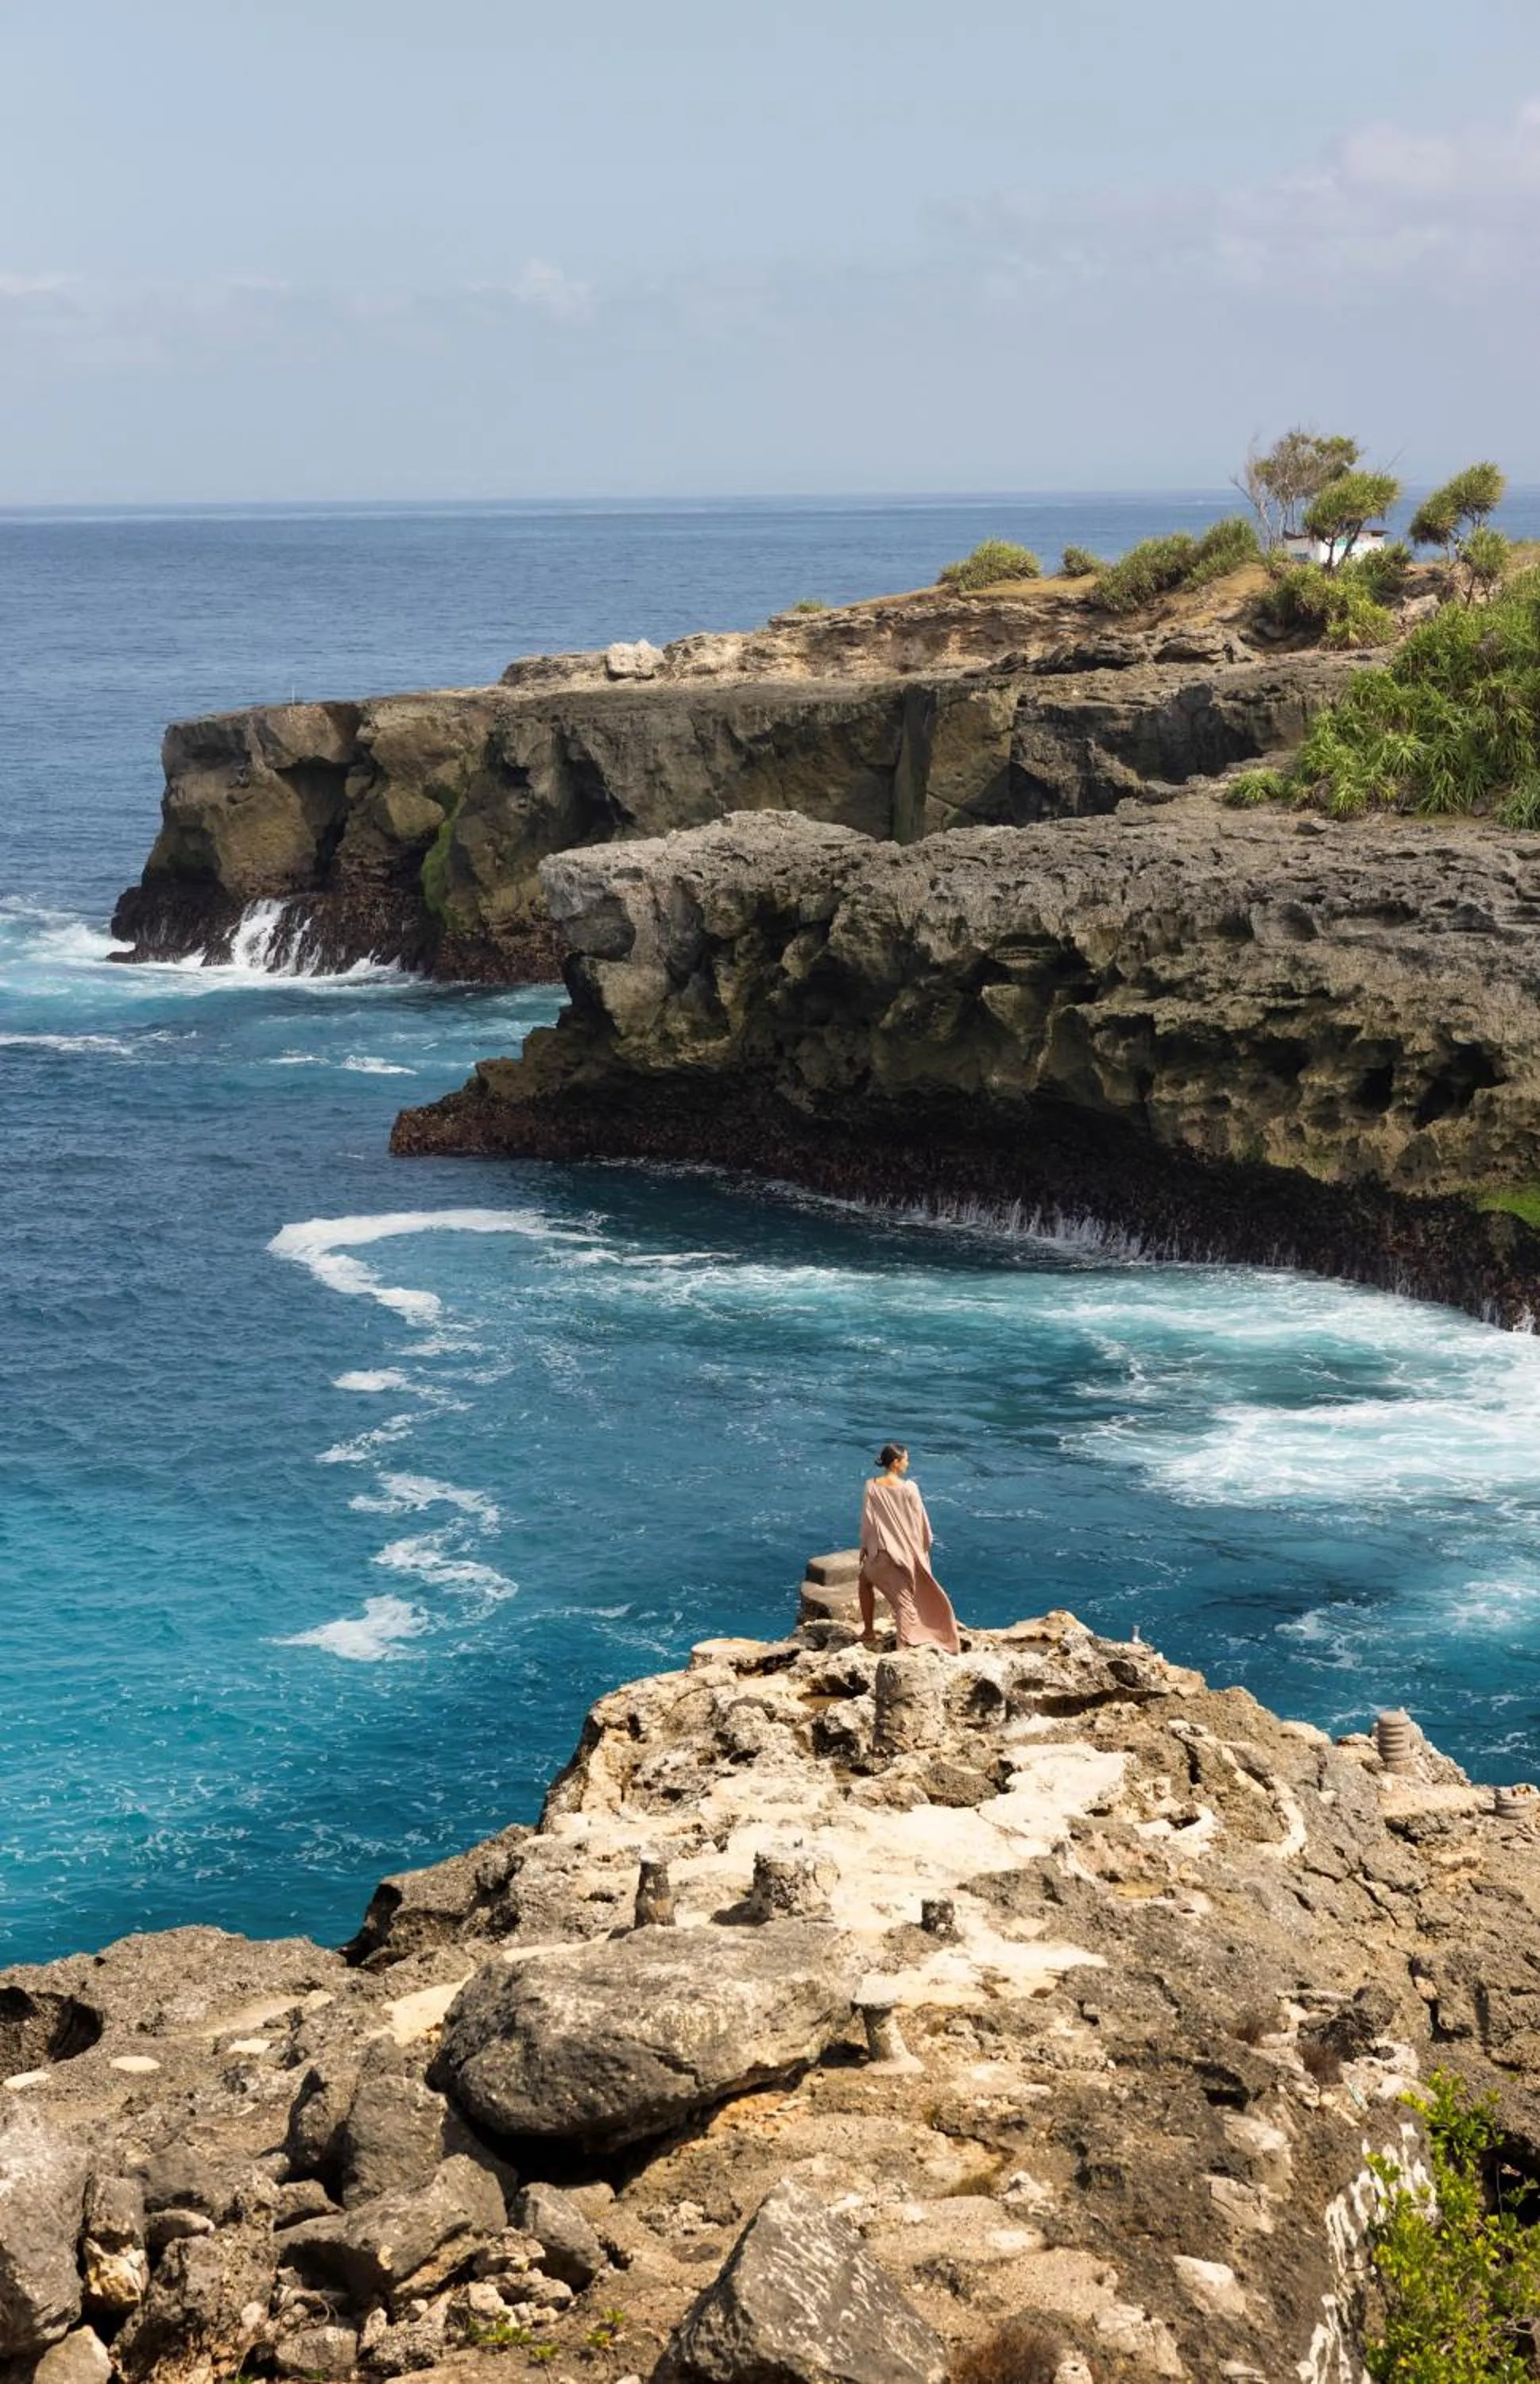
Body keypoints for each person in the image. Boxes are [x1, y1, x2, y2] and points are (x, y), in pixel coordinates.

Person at [858, 1442, 962, 1654]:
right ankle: (903, 1649)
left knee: (864, 1580)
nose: (908, 1462)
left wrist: (865, 1547)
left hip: (878, 1557)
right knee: (904, 1605)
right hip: (900, 1560)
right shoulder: (909, 1488)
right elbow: (920, 1524)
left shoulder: (871, 1485)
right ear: (896, 1463)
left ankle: (868, 1630)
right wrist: (922, 1552)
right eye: (906, 1459)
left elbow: (869, 1522)